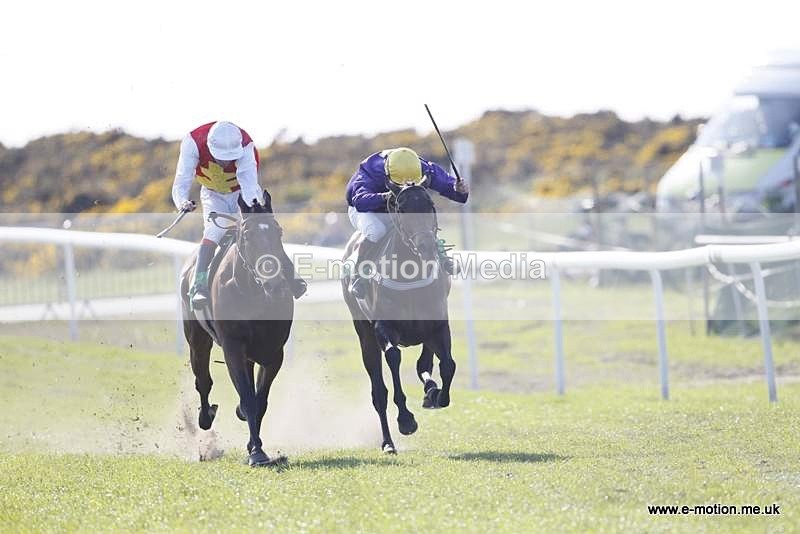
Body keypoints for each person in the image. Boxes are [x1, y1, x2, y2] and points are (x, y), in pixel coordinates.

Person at [172, 120, 306, 310]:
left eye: (230, 157)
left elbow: (249, 183)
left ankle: (291, 275)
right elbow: (182, 180)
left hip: (241, 192)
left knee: (262, 230)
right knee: (213, 232)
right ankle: (199, 285)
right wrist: (182, 202)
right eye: (221, 158)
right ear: (210, 147)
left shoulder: (246, 145)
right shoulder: (192, 142)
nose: (226, 162)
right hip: (212, 194)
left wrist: (253, 210)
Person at [345, 147, 469, 298]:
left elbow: (450, 187)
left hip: (403, 205)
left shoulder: (423, 168)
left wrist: (459, 189)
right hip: (369, 210)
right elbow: (360, 201)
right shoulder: (371, 171)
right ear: (388, 175)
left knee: (421, 220)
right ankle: (360, 275)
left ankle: (443, 259)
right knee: (377, 231)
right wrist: (386, 197)